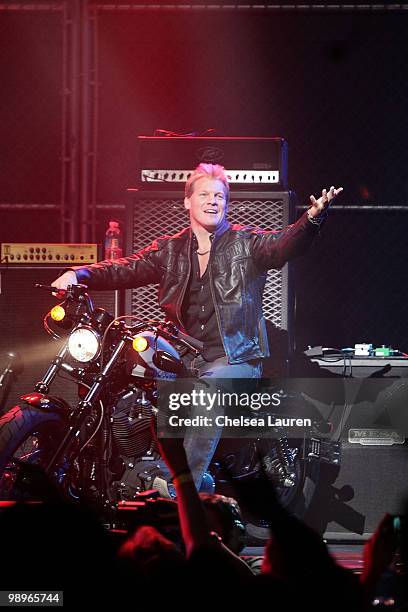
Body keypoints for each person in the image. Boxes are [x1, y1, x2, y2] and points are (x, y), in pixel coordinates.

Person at [51, 163, 342, 490]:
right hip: (181, 353)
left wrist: (312, 218)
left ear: (226, 203)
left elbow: (283, 244)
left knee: (210, 394)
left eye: (219, 195)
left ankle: (182, 488)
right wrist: (79, 274)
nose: (212, 200)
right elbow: (125, 268)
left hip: (233, 359)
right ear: (187, 201)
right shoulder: (170, 250)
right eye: (204, 193)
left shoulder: (246, 244)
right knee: (127, 370)